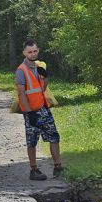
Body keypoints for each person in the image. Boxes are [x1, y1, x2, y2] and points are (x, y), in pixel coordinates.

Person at [15, 39, 62, 181]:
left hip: (43, 109)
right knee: (32, 141)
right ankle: (34, 170)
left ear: (38, 50)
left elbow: (42, 88)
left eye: (35, 51)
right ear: (24, 53)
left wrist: (45, 77)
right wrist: (29, 113)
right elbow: (21, 93)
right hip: (31, 112)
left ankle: (58, 167)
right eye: (30, 52)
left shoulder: (39, 66)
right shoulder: (21, 71)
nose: (33, 54)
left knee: (54, 137)